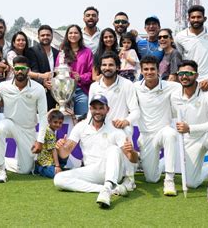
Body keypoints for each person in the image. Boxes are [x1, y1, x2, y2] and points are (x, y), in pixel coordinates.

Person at [54, 94, 138, 209]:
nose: (97, 111)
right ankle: (112, 189)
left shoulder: (115, 129)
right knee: (59, 179)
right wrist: (60, 147)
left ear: (107, 110)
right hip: (91, 171)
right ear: (90, 109)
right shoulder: (81, 126)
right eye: (94, 108)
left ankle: (107, 188)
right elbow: (64, 154)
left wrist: (132, 151)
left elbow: (132, 158)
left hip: (112, 172)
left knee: (113, 149)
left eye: (101, 108)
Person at [170, 60, 208, 204]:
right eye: (181, 73)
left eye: (189, 73)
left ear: (197, 75)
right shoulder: (174, 95)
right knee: (191, 183)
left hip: (206, 135)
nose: (184, 77)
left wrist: (190, 128)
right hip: (189, 140)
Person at [88, 52, 139, 190]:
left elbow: (135, 111)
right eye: (104, 65)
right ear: (100, 67)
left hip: (119, 128)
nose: (107, 67)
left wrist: (125, 121)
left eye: (111, 65)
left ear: (118, 67)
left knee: (126, 131)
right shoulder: (94, 86)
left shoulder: (127, 84)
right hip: (100, 128)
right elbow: (90, 111)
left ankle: (130, 178)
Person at [0, 55, 48, 183]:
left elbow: (44, 116)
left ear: (28, 70)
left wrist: (40, 141)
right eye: (16, 69)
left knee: (25, 169)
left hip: (28, 129)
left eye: (22, 69)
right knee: (0, 129)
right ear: (12, 70)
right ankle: (1, 170)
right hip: (10, 124)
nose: (19, 71)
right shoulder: (3, 86)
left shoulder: (38, 89)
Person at [134, 55, 180, 196]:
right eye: (146, 69)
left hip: (163, 131)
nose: (149, 72)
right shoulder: (134, 87)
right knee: (151, 179)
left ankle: (169, 179)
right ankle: (162, 164)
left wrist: (203, 84)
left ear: (158, 70)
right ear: (141, 71)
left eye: (152, 69)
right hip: (146, 135)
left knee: (170, 133)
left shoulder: (173, 86)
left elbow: (188, 90)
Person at [175, 5, 208, 90]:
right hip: (190, 80)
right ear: (188, 19)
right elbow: (180, 59)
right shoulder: (180, 36)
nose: (196, 20)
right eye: (193, 17)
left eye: (199, 17)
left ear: (204, 18)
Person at [56, 25, 93, 117]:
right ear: (67, 35)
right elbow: (57, 69)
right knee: (64, 118)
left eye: (76, 33)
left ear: (80, 35)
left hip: (81, 90)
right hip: (64, 90)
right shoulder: (62, 52)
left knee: (82, 117)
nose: (73, 35)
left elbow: (92, 72)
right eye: (70, 33)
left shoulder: (87, 52)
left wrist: (81, 77)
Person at [28, 25, 59, 110]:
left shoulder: (57, 52)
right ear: (38, 37)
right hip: (38, 91)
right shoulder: (32, 51)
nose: (45, 37)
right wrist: (43, 82)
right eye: (42, 35)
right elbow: (33, 71)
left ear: (52, 36)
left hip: (55, 92)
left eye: (48, 35)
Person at [34, 109, 65, 178]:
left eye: (60, 123)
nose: (58, 125)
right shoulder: (49, 132)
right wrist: (57, 166)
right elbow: (53, 150)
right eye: (55, 122)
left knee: (64, 149)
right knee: (58, 176)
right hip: (46, 163)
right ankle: (40, 169)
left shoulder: (48, 129)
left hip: (49, 161)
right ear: (49, 121)